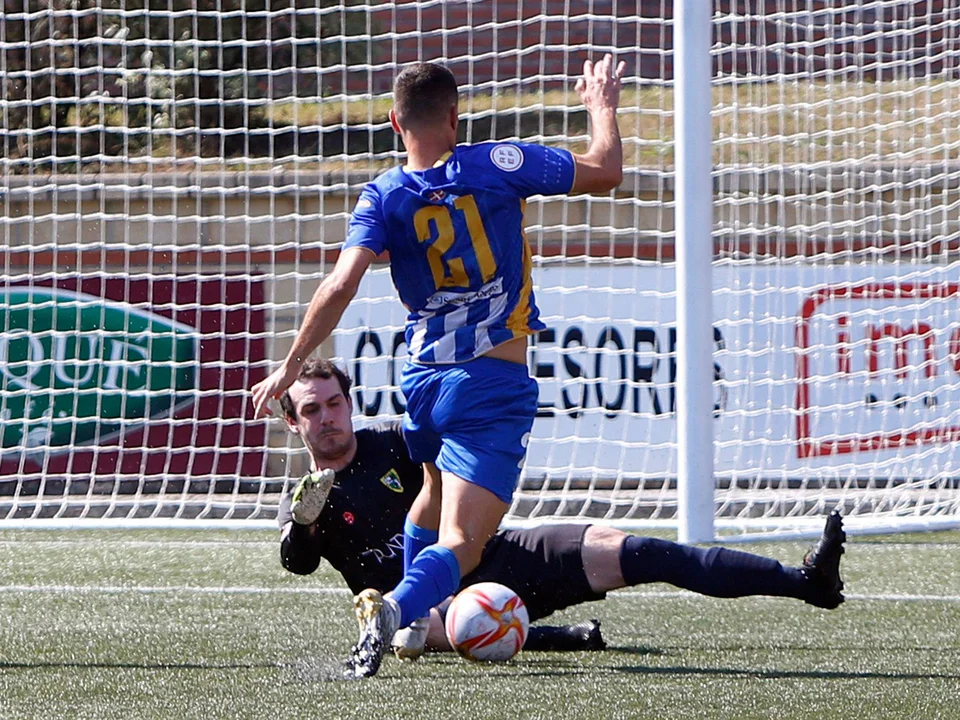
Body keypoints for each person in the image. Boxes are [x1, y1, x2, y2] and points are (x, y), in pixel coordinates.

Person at [251, 55, 627, 678]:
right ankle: (396, 608)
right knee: (464, 542)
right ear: (455, 117)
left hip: (423, 380)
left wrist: (290, 368)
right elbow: (606, 170)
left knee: (429, 488)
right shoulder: (499, 163)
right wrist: (601, 107)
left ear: (394, 122)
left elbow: (340, 285)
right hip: (490, 381)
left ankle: (416, 626)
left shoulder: (383, 194)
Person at [276, 360, 846, 661]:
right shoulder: (304, 498)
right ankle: (556, 636)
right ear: (293, 422)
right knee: (452, 625)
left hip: (494, 555)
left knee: (636, 551)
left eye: (334, 403)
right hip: (422, 609)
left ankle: (806, 581)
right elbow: (297, 562)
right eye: (312, 411)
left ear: (349, 403)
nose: (328, 418)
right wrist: (303, 525)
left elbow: (460, 472)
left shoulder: (399, 443)